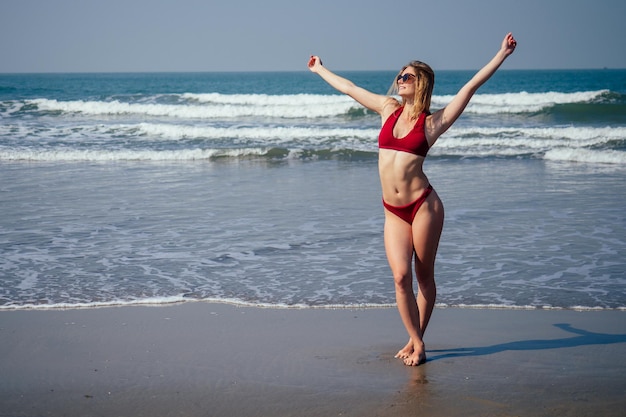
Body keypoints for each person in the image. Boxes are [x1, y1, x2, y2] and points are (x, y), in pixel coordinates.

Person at [307, 33, 517, 366]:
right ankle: (417, 340)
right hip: (393, 211)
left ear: (421, 85)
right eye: (400, 76)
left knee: (423, 277)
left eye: (408, 77)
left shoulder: (432, 123)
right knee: (399, 278)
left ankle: (416, 343)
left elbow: (470, 88)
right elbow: (350, 88)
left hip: (424, 207)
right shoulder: (387, 108)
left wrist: (501, 54)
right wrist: (321, 70)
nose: (400, 80)